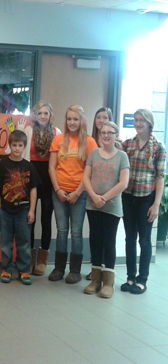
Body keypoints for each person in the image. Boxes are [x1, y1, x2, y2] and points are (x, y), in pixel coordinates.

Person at [48, 105, 98, 284]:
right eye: (69, 119)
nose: (72, 122)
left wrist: (78, 192)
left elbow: (90, 172)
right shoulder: (58, 139)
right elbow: (52, 168)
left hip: (80, 193)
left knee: (76, 232)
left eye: (75, 119)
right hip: (59, 191)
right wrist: (58, 190)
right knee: (62, 231)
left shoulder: (90, 142)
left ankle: (75, 270)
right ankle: (59, 268)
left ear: (82, 121)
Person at [121, 109, 166, 295]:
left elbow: (160, 177)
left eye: (142, 120)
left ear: (149, 123)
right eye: (136, 120)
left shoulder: (159, 147)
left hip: (146, 199)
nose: (138, 123)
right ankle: (130, 277)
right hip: (128, 197)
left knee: (145, 241)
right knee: (129, 239)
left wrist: (156, 205)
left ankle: (142, 280)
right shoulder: (127, 144)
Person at [82, 122, 129, 298]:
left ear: (116, 135)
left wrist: (104, 197)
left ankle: (108, 282)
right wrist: (94, 196)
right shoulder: (94, 153)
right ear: (99, 135)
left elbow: (123, 183)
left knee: (108, 242)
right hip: (92, 204)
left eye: (110, 132)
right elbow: (86, 177)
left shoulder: (122, 156)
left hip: (111, 207)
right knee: (95, 240)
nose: (106, 135)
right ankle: (95, 280)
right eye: (103, 132)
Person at [0, 130, 40, 285]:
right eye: (14, 145)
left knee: (24, 241)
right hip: (5, 210)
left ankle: (24, 270)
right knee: (6, 241)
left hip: (24, 210)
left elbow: (33, 189)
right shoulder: (2, 165)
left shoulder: (29, 166)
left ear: (24, 147)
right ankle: (6, 269)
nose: (17, 148)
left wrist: (32, 210)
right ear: (9, 146)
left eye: (20, 145)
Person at [23, 101, 61, 276]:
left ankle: (42, 261)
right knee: (30, 219)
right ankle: (29, 258)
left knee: (46, 219)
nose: (43, 116)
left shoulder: (57, 133)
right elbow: (24, 157)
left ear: (50, 115)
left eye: (46, 113)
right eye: (40, 113)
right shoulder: (28, 131)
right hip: (31, 179)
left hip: (49, 179)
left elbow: (59, 159)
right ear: (35, 115)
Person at [86, 106, 113, 281]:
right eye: (98, 117)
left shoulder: (114, 145)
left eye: (105, 117)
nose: (101, 120)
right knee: (95, 235)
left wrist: (105, 196)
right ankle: (95, 269)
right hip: (91, 194)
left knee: (107, 236)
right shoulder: (89, 141)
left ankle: (106, 271)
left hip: (109, 197)